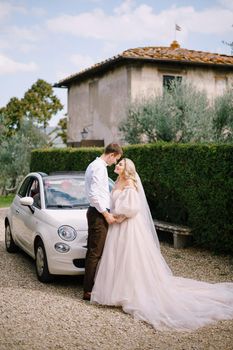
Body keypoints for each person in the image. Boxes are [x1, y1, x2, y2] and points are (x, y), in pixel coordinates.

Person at [91, 158, 233, 331]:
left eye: (120, 164)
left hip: (127, 226)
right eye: (117, 163)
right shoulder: (118, 180)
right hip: (117, 226)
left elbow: (132, 208)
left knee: (130, 258)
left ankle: (130, 292)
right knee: (117, 258)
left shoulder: (129, 182)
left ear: (127, 169)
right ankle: (115, 292)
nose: (117, 165)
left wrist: (118, 217)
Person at [83, 143, 123, 301]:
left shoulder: (95, 165)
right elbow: (94, 194)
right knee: (95, 253)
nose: (115, 162)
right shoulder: (99, 167)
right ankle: (88, 291)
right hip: (98, 214)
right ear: (112, 154)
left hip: (95, 212)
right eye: (116, 159)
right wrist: (106, 214)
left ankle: (89, 286)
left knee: (93, 251)